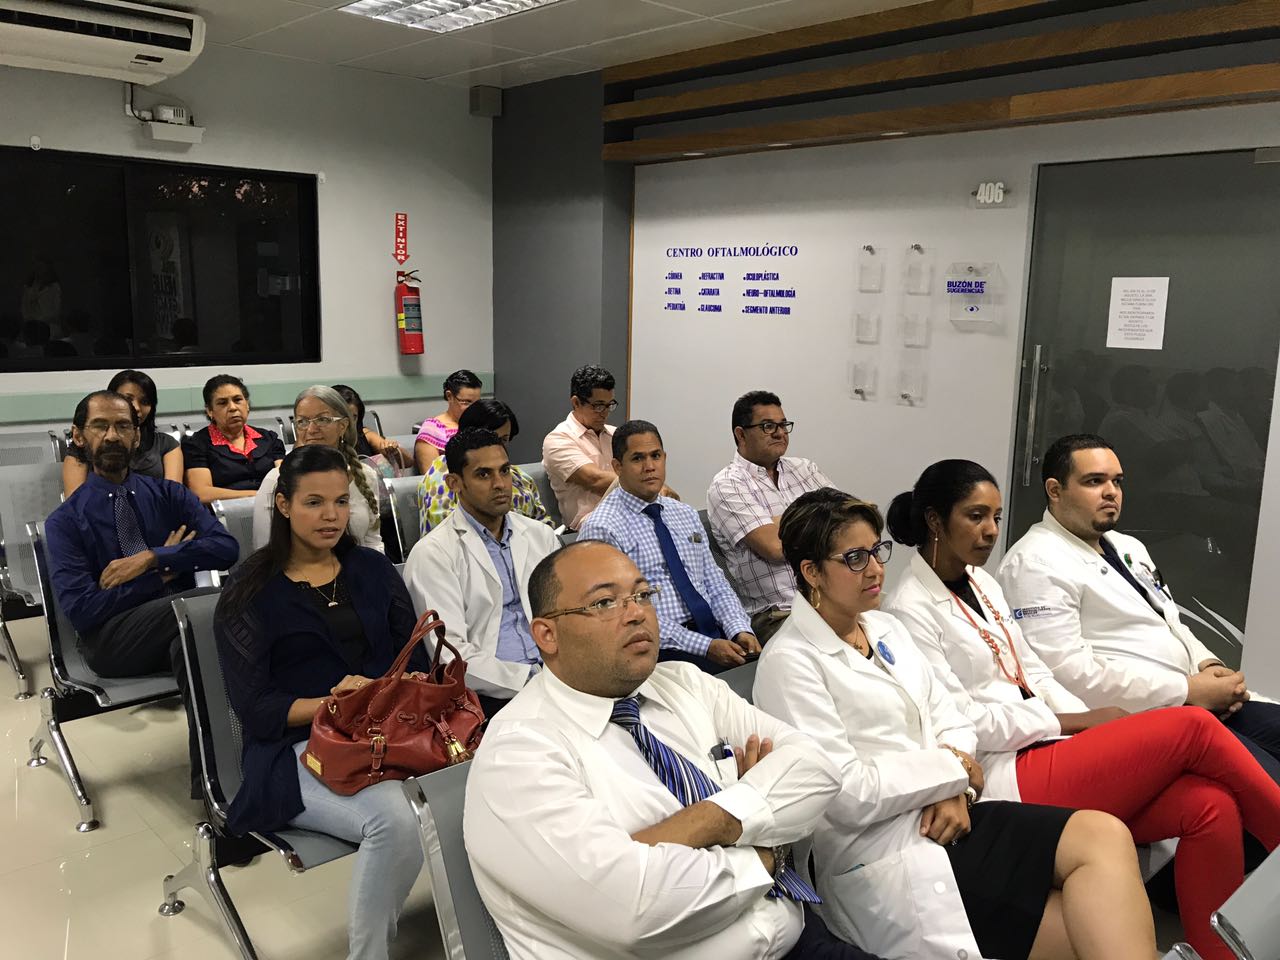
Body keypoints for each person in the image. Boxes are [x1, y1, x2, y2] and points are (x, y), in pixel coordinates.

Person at [884, 460, 1280, 960]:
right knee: (1194, 726)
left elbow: (1036, 674)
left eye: (996, 518)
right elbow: (965, 722)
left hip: (1053, 746)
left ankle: (1222, 954)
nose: (990, 531)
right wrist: (1073, 721)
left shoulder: (982, 583)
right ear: (935, 521)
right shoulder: (908, 609)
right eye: (975, 516)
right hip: (1005, 770)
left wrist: (1089, 729)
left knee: (1210, 805)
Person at [753, 489, 1161, 960]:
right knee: (1085, 934)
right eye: (855, 558)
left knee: (1104, 835)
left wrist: (957, 790)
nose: (876, 569)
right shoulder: (789, 662)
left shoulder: (885, 629)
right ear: (811, 572)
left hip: (953, 816)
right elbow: (847, 793)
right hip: (882, 849)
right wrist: (953, 773)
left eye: (877, 551)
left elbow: (952, 717)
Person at [465, 539, 885, 960]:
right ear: (547, 635)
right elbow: (637, 910)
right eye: (605, 603)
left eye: (642, 595)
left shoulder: (686, 683)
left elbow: (817, 768)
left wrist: (714, 821)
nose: (636, 613)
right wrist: (767, 845)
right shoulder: (518, 753)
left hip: (798, 939)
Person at [216, 445, 429, 960]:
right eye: (314, 502)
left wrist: (387, 691)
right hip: (297, 747)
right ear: (284, 505)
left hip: (389, 732)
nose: (331, 515)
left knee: (479, 784)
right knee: (396, 821)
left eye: (340, 501)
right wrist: (331, 704)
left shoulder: (371, 569)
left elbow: (415, 658)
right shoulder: (250, 591)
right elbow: (257, 711)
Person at [998, 434, 1280, 780]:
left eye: (1116, 481)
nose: (1111, 492)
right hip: (1145, 718)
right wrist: (1190, 691)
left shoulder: (1127, 546)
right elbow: (1067, 674)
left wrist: (1210, 666)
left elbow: (1171, 622)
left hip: (1196, 698)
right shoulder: (1033, 563)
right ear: (1055, 490)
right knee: (1266, 780)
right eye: (1094, 481)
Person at [46, 391, 238, 790]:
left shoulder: (168, 495)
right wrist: (161, 577)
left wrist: (152, 558)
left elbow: (226, 549)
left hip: (176, 628)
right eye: (100, 426)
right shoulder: (66, 521)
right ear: (79, 436)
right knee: (211, 610)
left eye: (123, 426)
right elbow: (84, 611)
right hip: (110, 642)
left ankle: (218, 781)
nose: (112, 436)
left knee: (193, 641)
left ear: (136, 437)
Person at [579, 420, 759, 674]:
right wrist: (705, 646)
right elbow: (623, 612)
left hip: (713, 635)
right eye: (638, 458)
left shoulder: (683, 513)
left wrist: (739, 629)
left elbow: (714, 582)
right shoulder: (603, 528)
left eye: (655, 456)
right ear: (618, 467)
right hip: (656, 649)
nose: (650, 466)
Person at [403, 428, 559, 717]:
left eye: (504, 471)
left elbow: (567, 615)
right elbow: (450, 655)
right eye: (484, 475)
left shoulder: (541, 536)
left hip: (559, 674)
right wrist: (532, 680)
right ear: (454, 483)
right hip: (490, 697)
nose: (500, 484)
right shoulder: (433, 554)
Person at [707, 390, 834, 644]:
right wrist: (818, 518)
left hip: (831, 599)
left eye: (783, 425)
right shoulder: (727, 485)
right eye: (768, 426)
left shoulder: (805, 469)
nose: (779, 433)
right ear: (741, 434)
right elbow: (775, 547)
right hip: (779, 613)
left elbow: (848, 524)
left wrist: (778, 521)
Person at [251, 387, 382, 552]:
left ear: (342, 426)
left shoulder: (365, 475)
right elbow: (266, 548)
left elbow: (373, 541)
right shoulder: (276, 479)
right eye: (302, 422)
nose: (311, 430)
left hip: (359, 565)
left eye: (322, 420)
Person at [417, 398, 550, 536]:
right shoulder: (442, 475)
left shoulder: (521, 478)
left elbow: (543, 524)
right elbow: (445, 533)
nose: (496, 446)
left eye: (504, 439)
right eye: (488, 437)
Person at [63, 369, 182, 497]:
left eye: (145, 402)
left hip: (154, 508)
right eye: (127, 399)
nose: (137, 407)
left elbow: (174, 497)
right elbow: (76, 502)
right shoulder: (84, 447)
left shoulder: (166, 444)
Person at [541, 364, 620, 531]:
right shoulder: (558, 439)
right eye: (598, 406)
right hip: (588, 528)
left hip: (625, 516)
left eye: (609, 405)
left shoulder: (616, 435)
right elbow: (595, 480)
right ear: (576, 402)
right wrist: (644, 485)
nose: (605, 412)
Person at [183, 375, 285, 504]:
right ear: (210, 411)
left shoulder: (269, 439)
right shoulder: (196, 444)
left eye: (237, 400)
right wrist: (258, 496)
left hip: (272, 509)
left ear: (247, 405)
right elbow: (202, 493)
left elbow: (285, 480)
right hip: (224, 513)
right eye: (222, 403)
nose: (232, 407)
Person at [414, 369, 481, 473]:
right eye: (466, 402)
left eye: (477, 403)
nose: (473, 408)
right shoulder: (432, 430)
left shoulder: (480, 424)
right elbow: (432, 478)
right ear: (449, 396)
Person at [331, 383, 411, 471]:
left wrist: (393, 450)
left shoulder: (364, 434)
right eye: (344, 416)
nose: (348, 423)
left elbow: (408, 462)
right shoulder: (321, 439)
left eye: (353, 417)